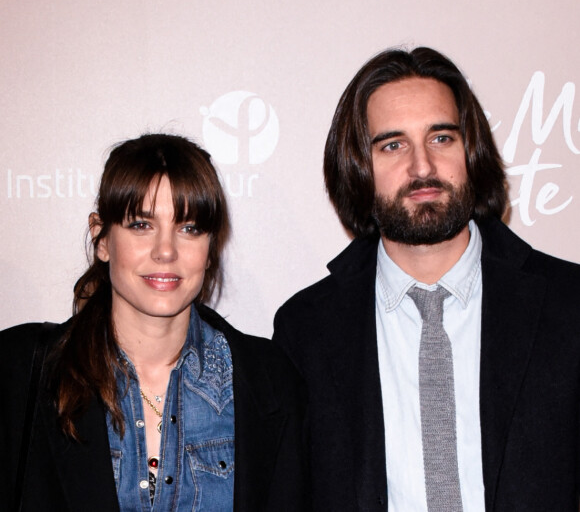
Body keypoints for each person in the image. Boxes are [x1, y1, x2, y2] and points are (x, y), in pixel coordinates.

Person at [273, 47, 580, 511]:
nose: (422, 167)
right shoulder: (307, 329)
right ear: (358, 166)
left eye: (441, 138)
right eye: (392, 145)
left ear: (471, 151)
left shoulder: (568, 305)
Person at [2, 133, 308, 512]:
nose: (166, 251)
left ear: (210, 247)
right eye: (141, 225)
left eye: (190, 227)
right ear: (102, 238)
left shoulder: (270, 382)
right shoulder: (20, 372)